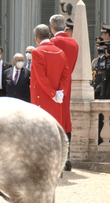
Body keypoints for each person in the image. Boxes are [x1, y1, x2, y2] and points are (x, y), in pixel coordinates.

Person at [50, 14, 79, 171]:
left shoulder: (52, 42)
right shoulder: (74, 43)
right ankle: (67, 158)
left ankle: (56, 159)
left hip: (53, 87)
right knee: (66, 120)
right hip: (67, 85)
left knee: (53, 120)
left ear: (51, 27)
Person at [31, 24, 70, 127]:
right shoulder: (61, 52)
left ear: (36, 37)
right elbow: (66, 76)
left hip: (42, 97)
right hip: (57, 97)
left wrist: (53, 94)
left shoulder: (36, 52)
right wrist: (60, 92)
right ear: (49, 35)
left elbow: (41, 78)